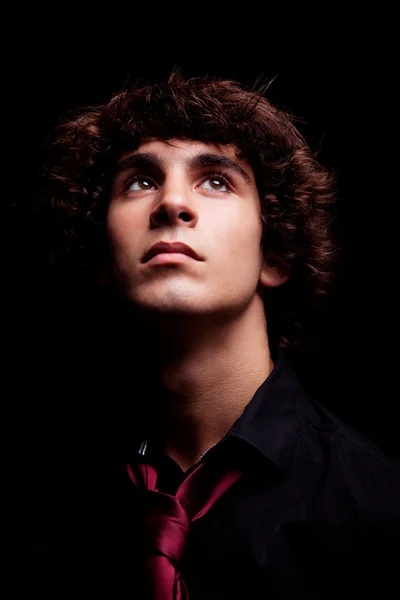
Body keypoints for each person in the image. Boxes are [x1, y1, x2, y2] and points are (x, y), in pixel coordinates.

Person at [13, 70, 400, 598]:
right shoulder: (47, 501)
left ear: (276, 253)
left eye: (217, 180)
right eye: (140, 181)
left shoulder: (377, 508)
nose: (172, 204)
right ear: (103, 252)